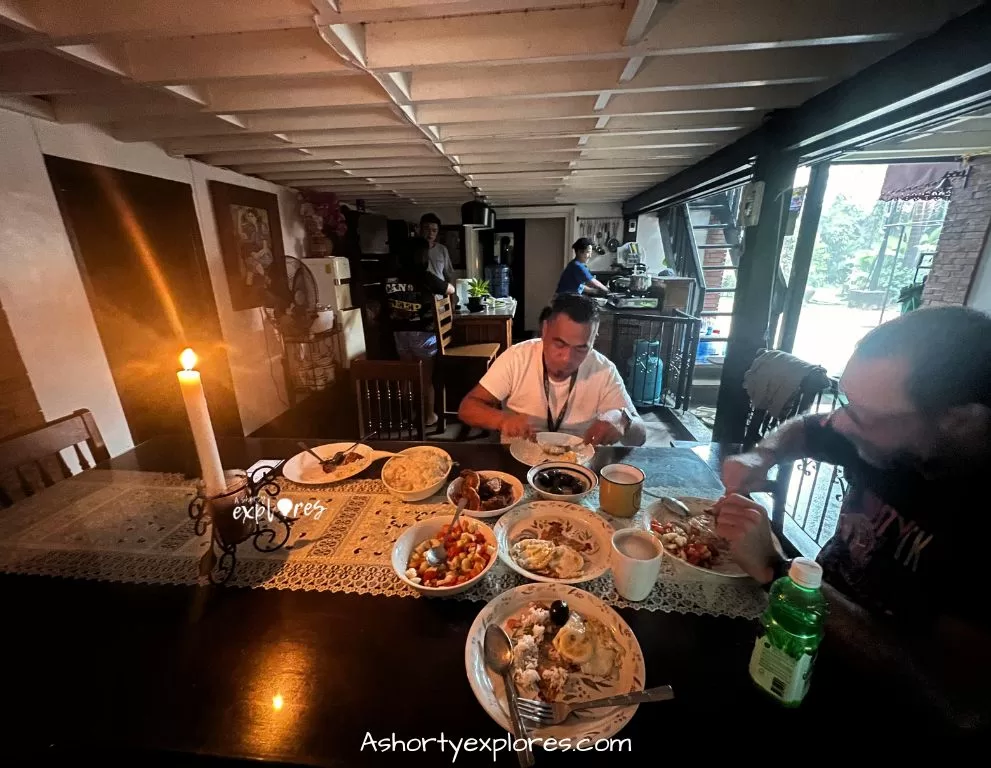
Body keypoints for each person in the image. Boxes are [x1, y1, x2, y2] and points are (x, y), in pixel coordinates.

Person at [717, 307, 991, 724]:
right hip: (797, 643)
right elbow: (809, 428)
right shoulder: (889, 434)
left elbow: (949, 691)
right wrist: (763, 454)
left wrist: (780, 571)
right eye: (845, 400)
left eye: (862, 415)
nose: (842, 423)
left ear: (959, 421)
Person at [458, 294, 646, 446]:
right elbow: (467, 408)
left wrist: (622, 420)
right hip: (519, 460)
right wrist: (502, 420)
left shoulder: (604, 370)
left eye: (581, 348)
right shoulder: (517, 357)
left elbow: (640, 435)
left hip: (580, 465)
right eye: (559, 344)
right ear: (545, 330)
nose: (567, 359)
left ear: (593, 340)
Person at [384, 237, 455, 426]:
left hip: (399, 333)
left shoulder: (391, 276)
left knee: (407, 376)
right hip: (423, 333)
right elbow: (450, 288)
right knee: (426, 378)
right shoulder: (424, 276)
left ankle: (406, 416)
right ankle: (428, 416)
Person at [419, 213, 454, 285]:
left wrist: (449, 295)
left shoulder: (442, 249)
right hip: (421, 292)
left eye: (434, 230)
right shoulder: (413, 249)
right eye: (427, 229)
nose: (430, 233)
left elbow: (448, 275)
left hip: (440, 293)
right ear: (420, 229)